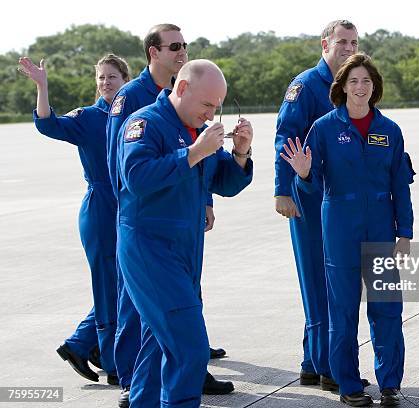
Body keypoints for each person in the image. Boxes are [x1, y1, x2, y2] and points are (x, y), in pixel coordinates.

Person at [116, 59, 253, 408]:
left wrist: (239, 153)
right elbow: (138, 177)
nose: (211, 114)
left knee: (157, 343)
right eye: (207, 105)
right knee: (190, 346)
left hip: (186, 249)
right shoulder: (145, 123)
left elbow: (223, 181)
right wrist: (193, 153)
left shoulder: (196, 129)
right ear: (181, 89)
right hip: (150, 249)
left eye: (217, 107)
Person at [282, 53, 414, 407]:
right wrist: (305, 174)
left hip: (382, 228)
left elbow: (401, 184)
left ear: (375, 87)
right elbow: (309, 188)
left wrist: (406, 231)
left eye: (367, 81)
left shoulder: (390, 130)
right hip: (339, 227)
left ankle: (390, 384)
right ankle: (349, 384)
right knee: (341, 310)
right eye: (353, 81)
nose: (360, 87)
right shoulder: (324, 128)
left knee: (387, 308)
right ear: (341, 87)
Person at [19, 54, 130, 385]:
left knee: (129, 285)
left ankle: (84, 345)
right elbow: (48, 124)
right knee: (110, 287)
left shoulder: (137, 115)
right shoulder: (88, 118)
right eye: (100, 78)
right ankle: (112, 363)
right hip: (100, 211)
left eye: (112, 77)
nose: (106, 82)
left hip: (131, 207)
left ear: (126, 81)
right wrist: (43, 87)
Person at [274, 19, 362, 391]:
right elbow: (285, 137)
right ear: (324, 44)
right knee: (318, 281)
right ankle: (329, 367)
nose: (347, 47)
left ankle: (314, 361)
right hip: (308, 198)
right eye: (341, 41)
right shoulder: (307, 86)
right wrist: (283, 190)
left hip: (339, 200)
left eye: (354, 42)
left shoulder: (352, 84)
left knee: (334, 281)